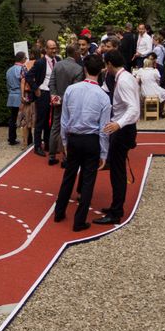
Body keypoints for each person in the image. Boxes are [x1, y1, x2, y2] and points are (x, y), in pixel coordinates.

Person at [53, 52, 111, 232]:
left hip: (74, 137)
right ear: (101, 70)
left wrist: (64, 141)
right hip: (91, 140)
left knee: (69, 176)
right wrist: (104, 153)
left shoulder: (71, 90)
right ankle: (79, 221)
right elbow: (104, 129)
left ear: (84, 69)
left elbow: (64, 120)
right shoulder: (103, 96)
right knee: (88, 180)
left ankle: (59, 212)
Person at [96, 50, 139, 225]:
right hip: (123, 127)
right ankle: (115, 206)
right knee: (116, 169)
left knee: (117, 171)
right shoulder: (124, 77)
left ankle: (116, 211)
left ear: (109, 64)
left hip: (123, 130)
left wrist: (118, 124)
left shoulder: (123, 81)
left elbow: (134, 108)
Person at [47, 44, 84, 165]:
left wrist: (54, 97)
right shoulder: (78, 69)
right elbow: (75, 89)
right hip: (70, 103)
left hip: (57, 101)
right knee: (68, 129)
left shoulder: (57, 65)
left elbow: (51, 83)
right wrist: (62, 99)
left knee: (55, 127)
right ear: (76, 53)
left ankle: (51, 156)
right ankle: (65, 157)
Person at [29, 39, 59, 156]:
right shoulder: (40, 62)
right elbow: (28, 76)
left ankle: (47, 143)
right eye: (51, 48)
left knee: (50, 121)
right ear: (46, 49)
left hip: (54, 93)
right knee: (41, 121)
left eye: (55, 48)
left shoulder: (58, 60)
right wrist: (36, 88)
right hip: (43, 93)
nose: (54, 50)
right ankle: (37, 146)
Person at [6, 52, 26, 145]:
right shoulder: (22, 69)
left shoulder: (9, 70)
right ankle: (26, 139)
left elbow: (7, 84)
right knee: (24, 117)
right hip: (20, 95)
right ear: (22, 59)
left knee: (13, 117)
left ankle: (11, 138)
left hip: (11, 95)